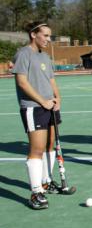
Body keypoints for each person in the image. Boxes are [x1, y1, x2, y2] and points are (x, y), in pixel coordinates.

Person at [12, 22, 62, 209]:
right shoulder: (23, 54)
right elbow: (22, 83)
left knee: (50, 145)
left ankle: (46, 181)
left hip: (50, 106)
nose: (49, 39)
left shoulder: (45, 57)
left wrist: (58, 98)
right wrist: (43, 101)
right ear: (34, 35)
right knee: (37, 149)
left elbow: (51, 79)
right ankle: (36, 192)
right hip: (34, 107)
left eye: (50, 36)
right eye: (46, 36)